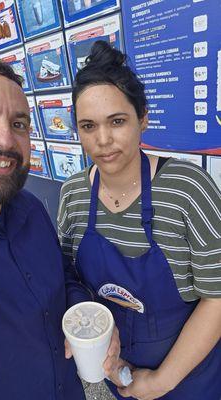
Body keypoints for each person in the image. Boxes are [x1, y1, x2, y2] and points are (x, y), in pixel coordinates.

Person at [0, 61, 119, 400]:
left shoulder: (28, 207)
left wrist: (84, 311)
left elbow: (62, 275)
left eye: (19, 124)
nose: (4, 139)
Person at [57, 41, 221, 400]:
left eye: (117, 121)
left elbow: (218, 297)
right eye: (88, 126)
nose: (103, 140)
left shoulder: (187, 189)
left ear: (142, 118)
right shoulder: (73, 195)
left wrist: (160, 381)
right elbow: (70, 277)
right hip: (118, 377)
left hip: (191, 380)